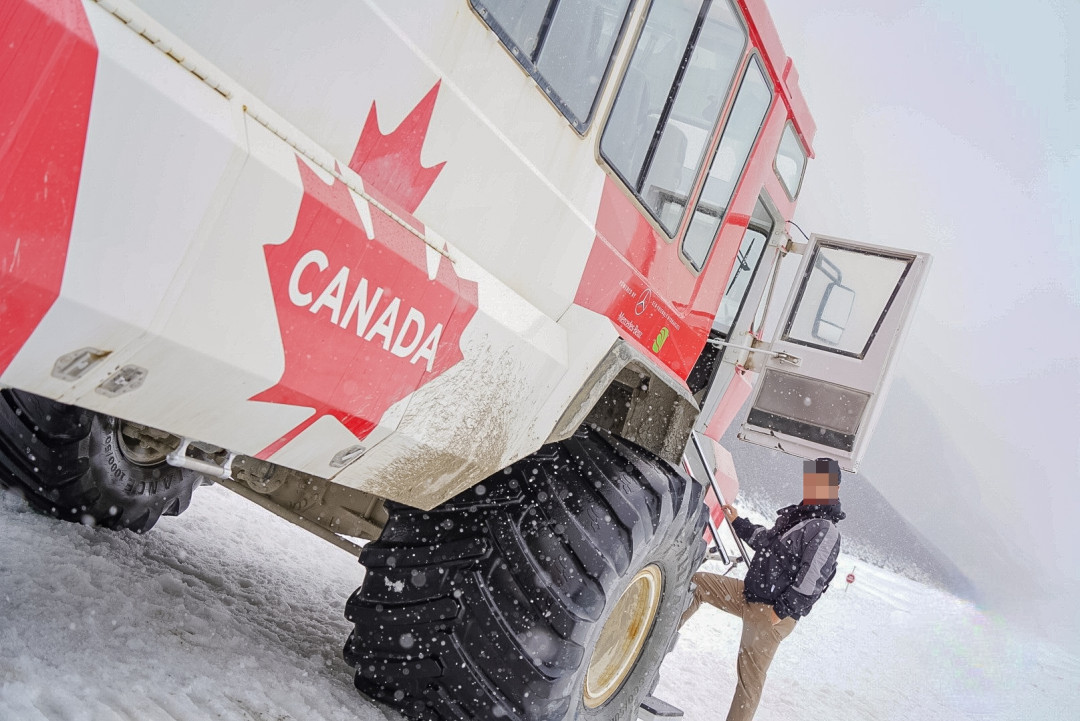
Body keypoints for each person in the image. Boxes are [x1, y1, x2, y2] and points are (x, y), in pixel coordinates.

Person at [679, 457, 845, 721]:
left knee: (749, 683)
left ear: (834, 488)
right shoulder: (800, 517)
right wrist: (739, 522)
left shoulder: (825, 530)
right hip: (749, 596)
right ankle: (655, 638)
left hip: (771, 613)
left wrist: (779, 612)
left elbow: (811, 581)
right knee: (697, 583)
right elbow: (767, 542)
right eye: (811, 479)